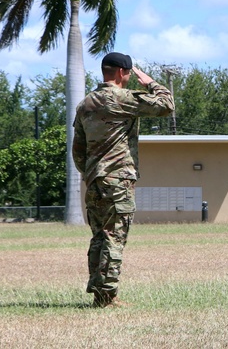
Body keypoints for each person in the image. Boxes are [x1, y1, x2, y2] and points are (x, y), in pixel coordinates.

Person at [73, 52, 174, 307]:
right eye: (129, 73)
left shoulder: (85, 103)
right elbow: (166, 105)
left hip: (95, 180)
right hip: (118, 179)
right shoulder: (121, 98)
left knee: (99, 236)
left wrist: (90, 173)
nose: (129, 77)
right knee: (114, 236)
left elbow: (78, 149)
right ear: (121, 73)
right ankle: (107, 297)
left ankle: (100, 293)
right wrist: (150, 83)